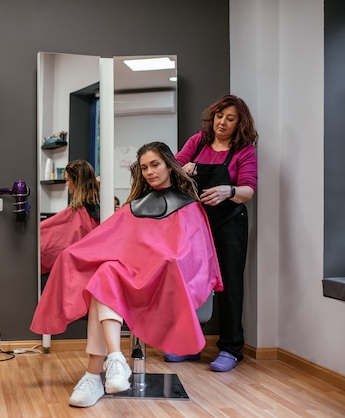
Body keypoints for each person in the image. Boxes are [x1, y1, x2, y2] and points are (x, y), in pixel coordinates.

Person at [31, 142, 222, 408]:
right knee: (105, 273)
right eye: (144, 168)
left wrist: (166, 260)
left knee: (107, 280)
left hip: (166, 283)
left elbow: (196, 254)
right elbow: (107, 240)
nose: (149, 172)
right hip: (131, 278)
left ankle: (93, 373)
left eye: (155, 165)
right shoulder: (136, 207)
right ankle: (116, 360)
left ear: (169, 164)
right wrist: (71, 254)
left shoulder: (188, 206)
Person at [166, 94, 258, 372]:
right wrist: (183, 169)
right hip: (195, 223)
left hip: (229, 223)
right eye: (220, 116)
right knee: (191, 282)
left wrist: (228, 190)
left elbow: (248, 190)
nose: (222, 123)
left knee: (229, 284)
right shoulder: (198, 142)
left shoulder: (244, 151)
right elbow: (171, 171)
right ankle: (189, 345)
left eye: (230, 119)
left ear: (239, 124)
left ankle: (231, 349)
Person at [40, 159, 100, 275]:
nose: (66, 184)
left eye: (68, 180)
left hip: (72, 275)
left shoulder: (77, 213)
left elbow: (45, 244)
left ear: (76, 182)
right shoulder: (98, 212)